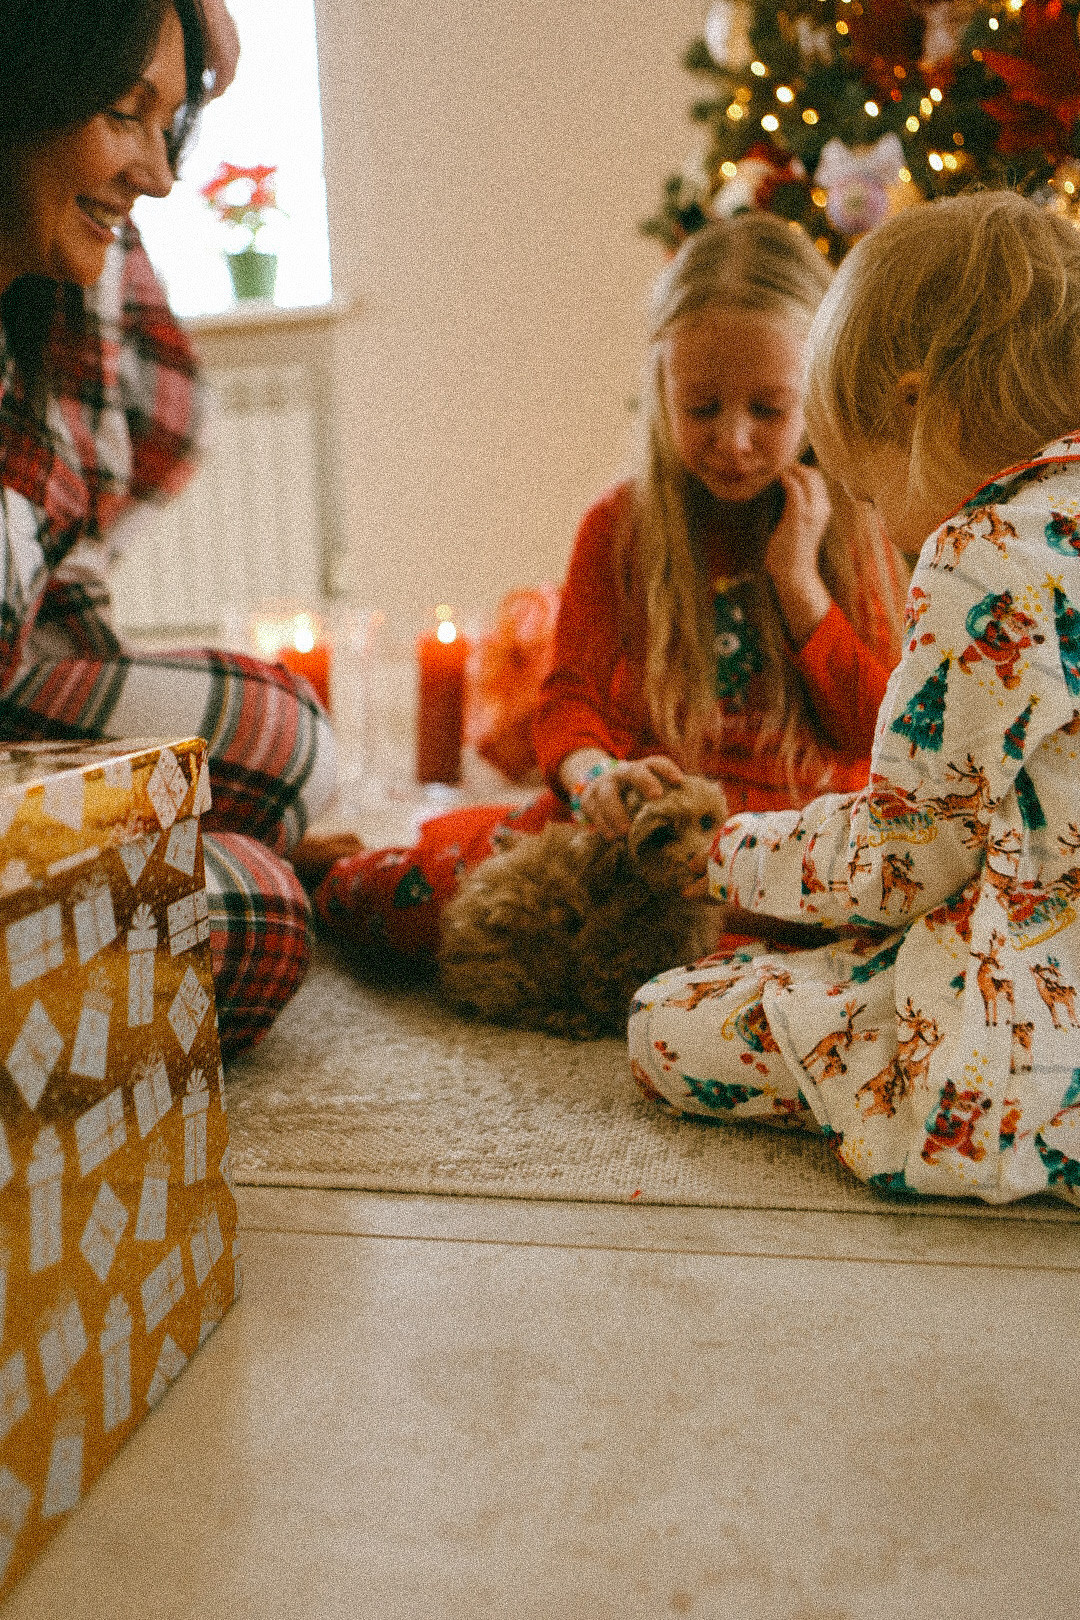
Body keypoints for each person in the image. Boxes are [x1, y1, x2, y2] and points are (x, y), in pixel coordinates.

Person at [628, 189, 1080, 1209]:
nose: (879, 518)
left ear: (919, 409)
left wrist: (728, 852)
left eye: (868, 487)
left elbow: (907, 855)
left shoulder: (984, 556)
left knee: (671, 1017)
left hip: (1026, 1047)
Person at [312, 214, 907, 963]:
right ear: (661, 386)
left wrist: (798, 585)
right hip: (644, 839)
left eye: (768, 408)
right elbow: (569, 701)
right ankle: (325, 874)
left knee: (861, 924)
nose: (733, 440)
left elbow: (889, 732)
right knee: (430, 887)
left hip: (795, 843)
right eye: (701, 407)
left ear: (815, 391)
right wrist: (596, 777)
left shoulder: (859, 521)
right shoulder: (622, 525)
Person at [0, 0, 337, 1056]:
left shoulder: (35, 316)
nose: (160, 175)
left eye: (170, 125)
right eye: (122, 113)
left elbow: (72, 555)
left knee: (280, 736)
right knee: (259, 913)